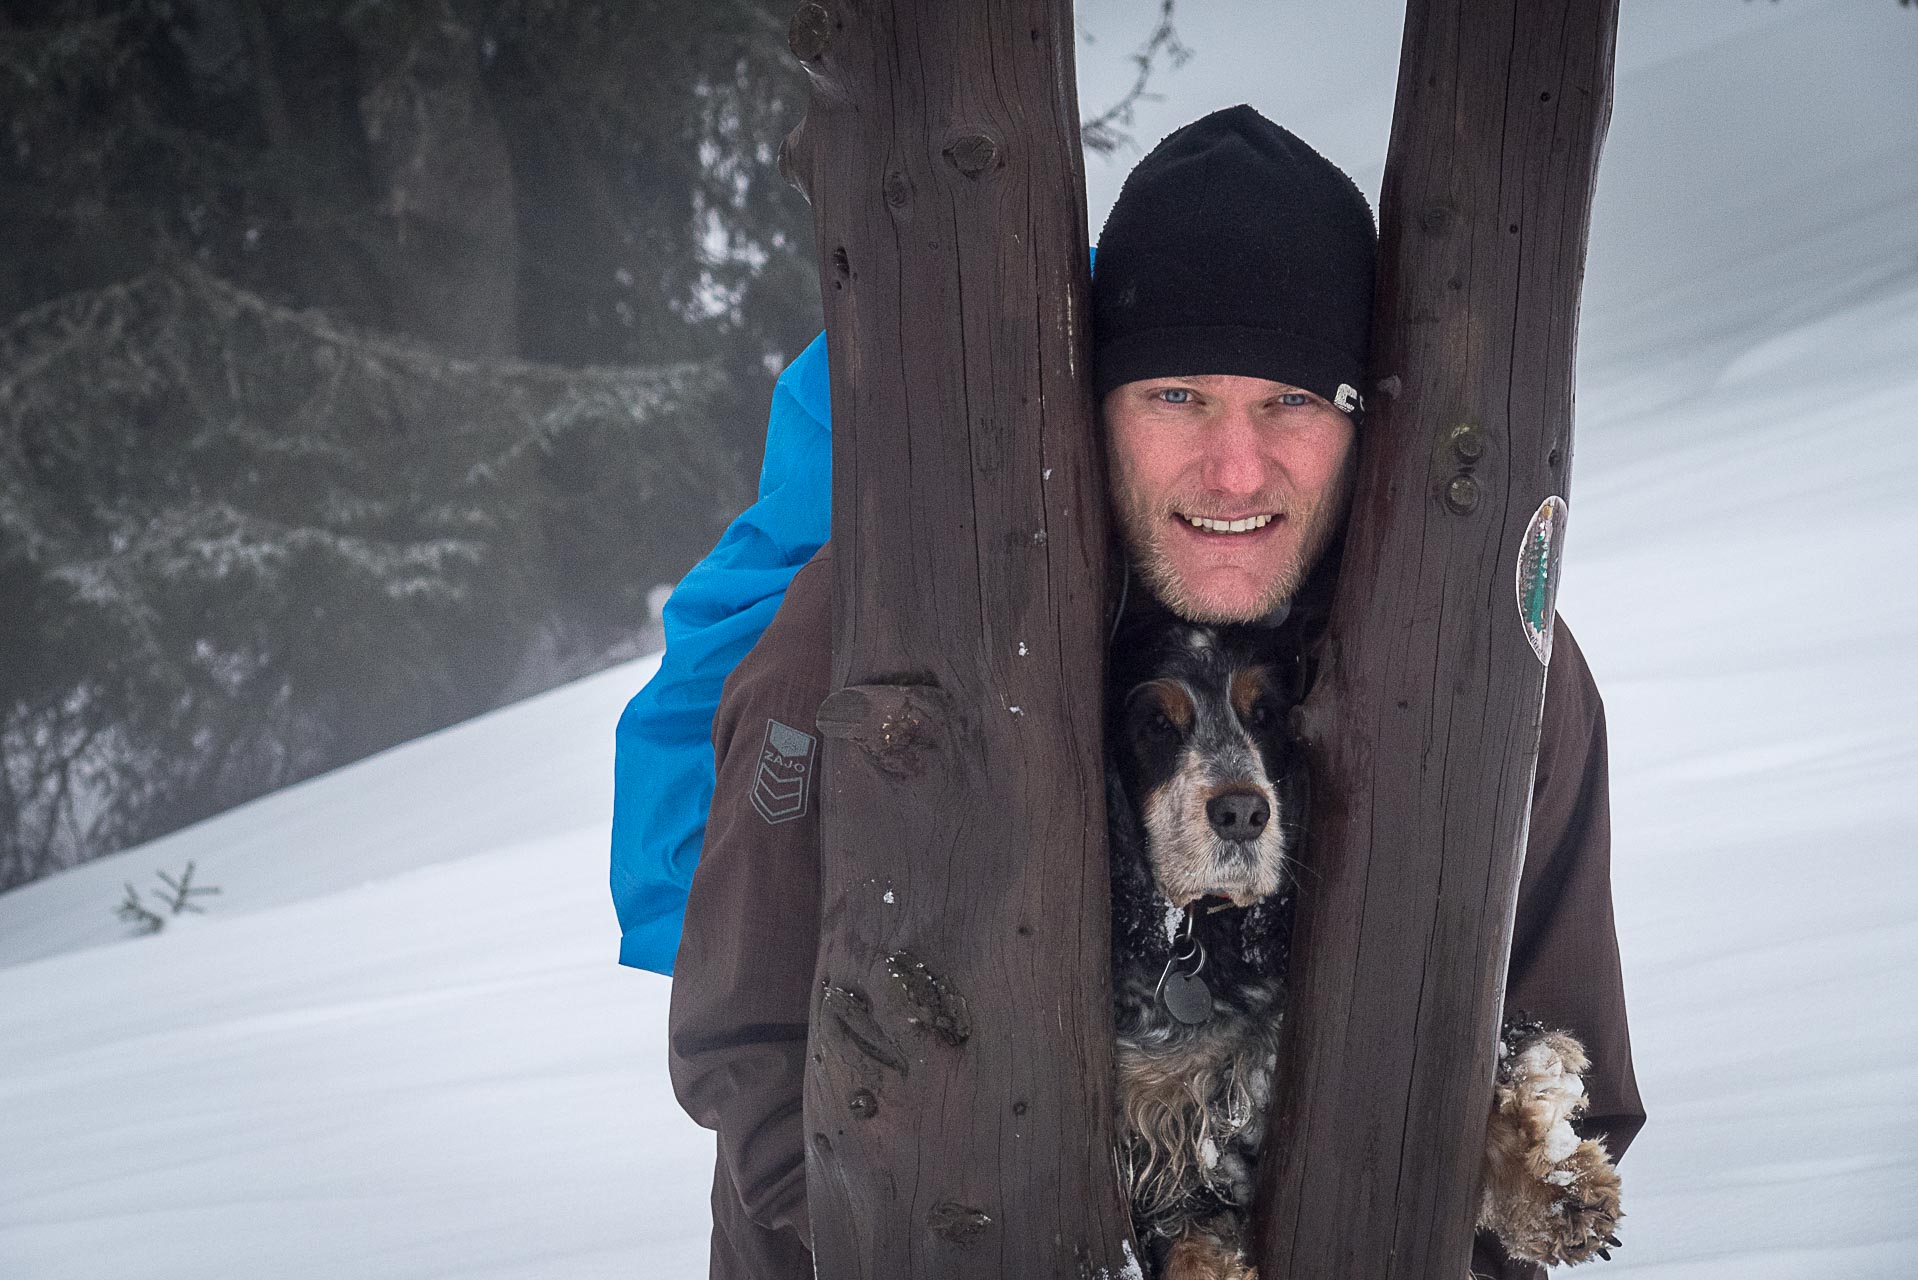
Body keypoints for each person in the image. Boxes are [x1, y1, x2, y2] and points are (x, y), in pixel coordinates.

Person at [660, 105, 1644, 1280]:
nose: (1235, 469)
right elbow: (749, 1050)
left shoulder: (1490, 660)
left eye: (1291, 401)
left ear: (1360, 422)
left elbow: (1563, 1071)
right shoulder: (873, 620)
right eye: (1177, 395)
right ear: (1096, 405)